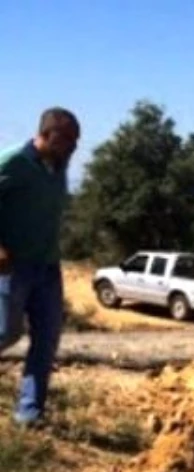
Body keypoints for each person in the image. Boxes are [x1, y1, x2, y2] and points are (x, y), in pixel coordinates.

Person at [0, 107, 80, 426]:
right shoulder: (12, 163)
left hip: (48, 267)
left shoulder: (58, 166)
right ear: (49, 135)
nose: (75, 147)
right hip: (12, 266)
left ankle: (29, 414)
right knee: (6, 332)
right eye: (70, 140)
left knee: (47, 339)